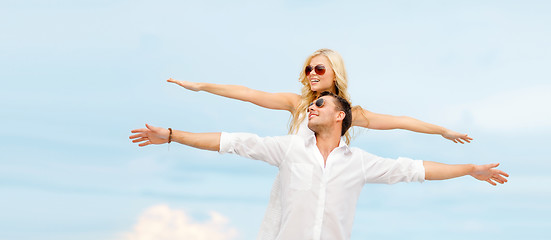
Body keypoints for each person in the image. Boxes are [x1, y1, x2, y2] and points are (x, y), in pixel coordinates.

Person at [167, 48, 474, 238]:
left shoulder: (349, 113)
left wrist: (441, 131)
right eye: (308, 69)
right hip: (294, 178)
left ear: (334, 74)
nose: (311, 74)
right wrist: (201, 86)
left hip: (330, 178)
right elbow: (247, 93)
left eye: (319, 68)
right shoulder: (298, 104)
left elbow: (402, 121)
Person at [129, 92, 508, 240]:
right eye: (311, 105)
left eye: (321, 105)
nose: (311, 108)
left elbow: (416, 169)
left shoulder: (360, 163)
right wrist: (174, 134)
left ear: (342, 116)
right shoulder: (289, 149)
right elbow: (230, 142)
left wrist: (469, 168)